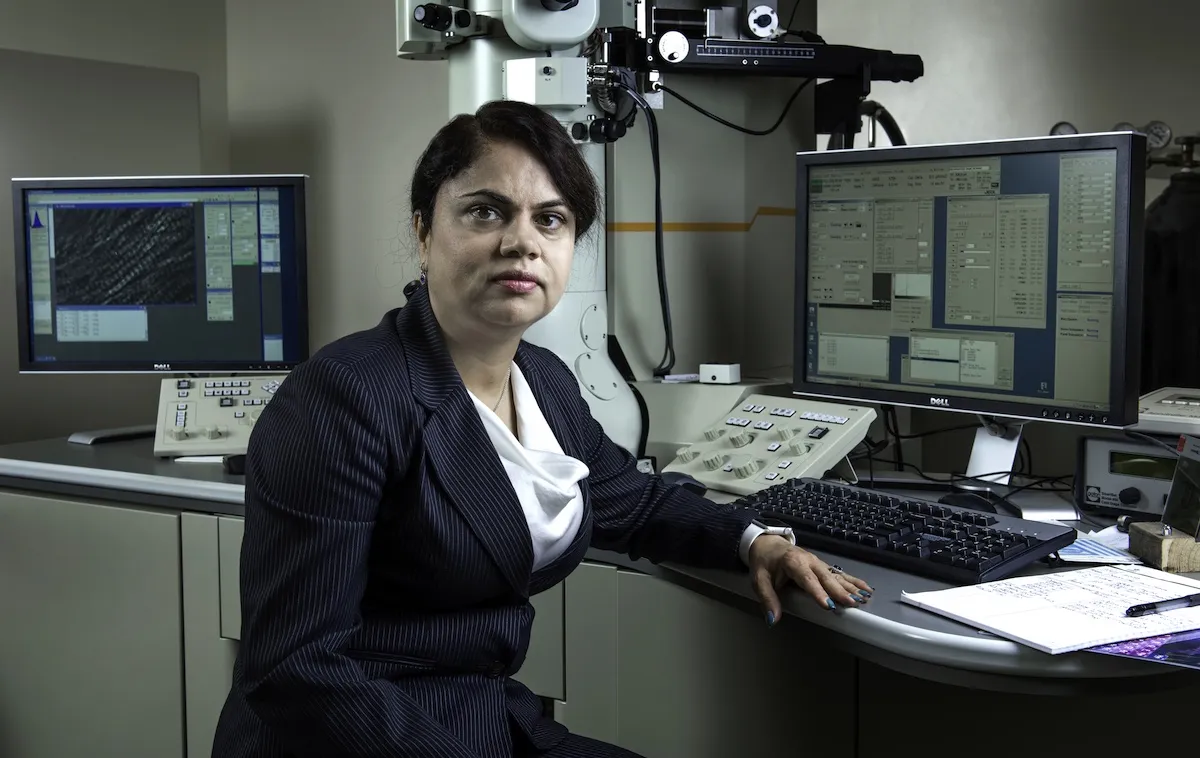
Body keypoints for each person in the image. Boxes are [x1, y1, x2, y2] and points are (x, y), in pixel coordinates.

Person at [210, 99, 872, 758]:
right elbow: (295, 668)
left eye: (550, 220)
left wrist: (755, 543)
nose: (520, 240)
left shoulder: (544, 382)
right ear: (422, 231)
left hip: (482, 715)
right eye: (485, 211)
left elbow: (630, 501)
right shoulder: (343, 397)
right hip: (358, 737)